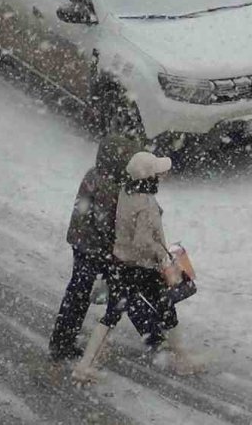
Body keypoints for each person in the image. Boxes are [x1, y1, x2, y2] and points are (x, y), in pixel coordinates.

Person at [72, 151, 196, 382]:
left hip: (121, 263)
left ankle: (84, 366)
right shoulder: (145, 203)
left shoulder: (126, 193)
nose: (162, 175)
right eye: (158, 172)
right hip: (141, 267)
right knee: (166, 307)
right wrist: (162, 254)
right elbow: (142, 242)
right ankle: (182, 361)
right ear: (147, 177)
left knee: (112, 314)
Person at [48, 135, 139, 361]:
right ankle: (63, 342)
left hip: (82, 241)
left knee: (79, 290)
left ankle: (63, 339)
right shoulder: (107, 182)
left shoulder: (95, 174)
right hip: (90, 245)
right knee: (82, 290)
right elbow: (104, 221)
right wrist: (116, 245)